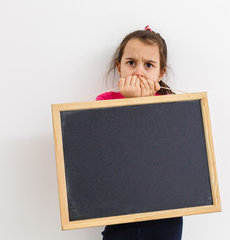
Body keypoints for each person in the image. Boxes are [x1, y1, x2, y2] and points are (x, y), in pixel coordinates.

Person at [96, 26, 183, 240]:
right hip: (119, 207)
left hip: (166, 210)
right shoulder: (104, 102)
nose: (139, 72)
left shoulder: (172, 106)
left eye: (149, 65)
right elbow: (104, 149)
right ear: (119, 67)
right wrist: (131, 102)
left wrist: (143, 103)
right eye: (131, 63)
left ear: (160, 72)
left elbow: (169, 152)